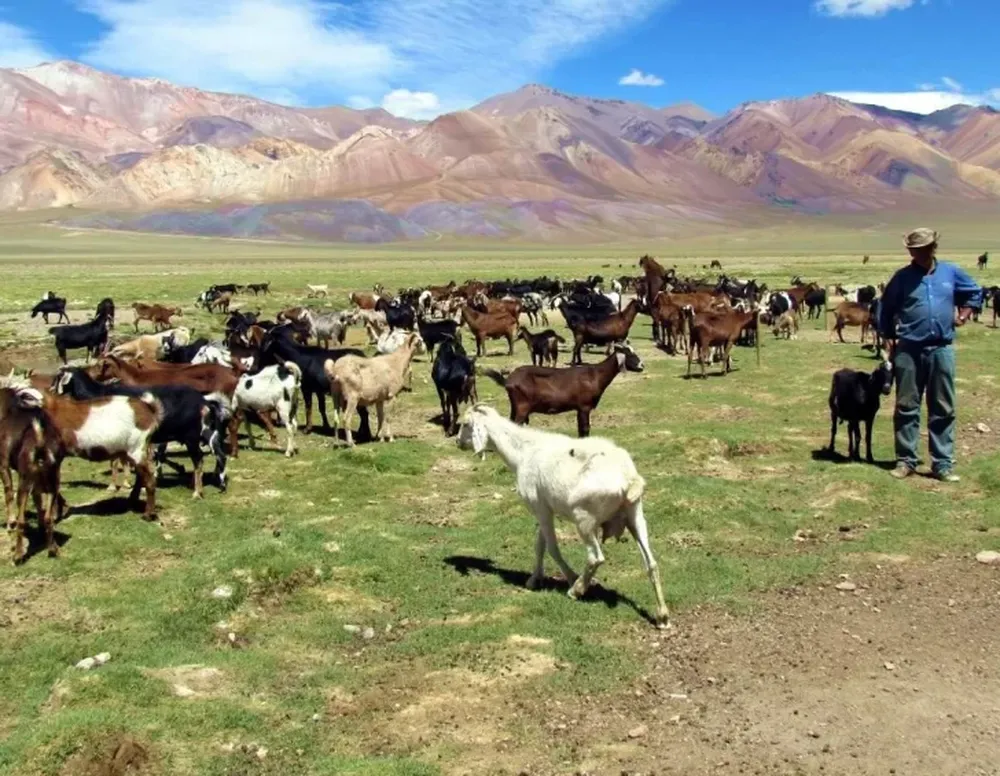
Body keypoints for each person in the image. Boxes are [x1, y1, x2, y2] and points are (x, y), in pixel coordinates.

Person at [877, 228, 982, 482]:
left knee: (943, 407)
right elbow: (886, 307)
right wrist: (889, 336)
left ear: (933, 248)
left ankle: (942, 464)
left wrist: (964, 315)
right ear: (910, 251)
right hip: (909, 349)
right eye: (915, 249)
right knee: (906, 406)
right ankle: (906, 461)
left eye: (924, 248)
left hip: (941, 348)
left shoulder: (951, 272)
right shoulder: (901, 278)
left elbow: (974, 292)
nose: (919, 253)